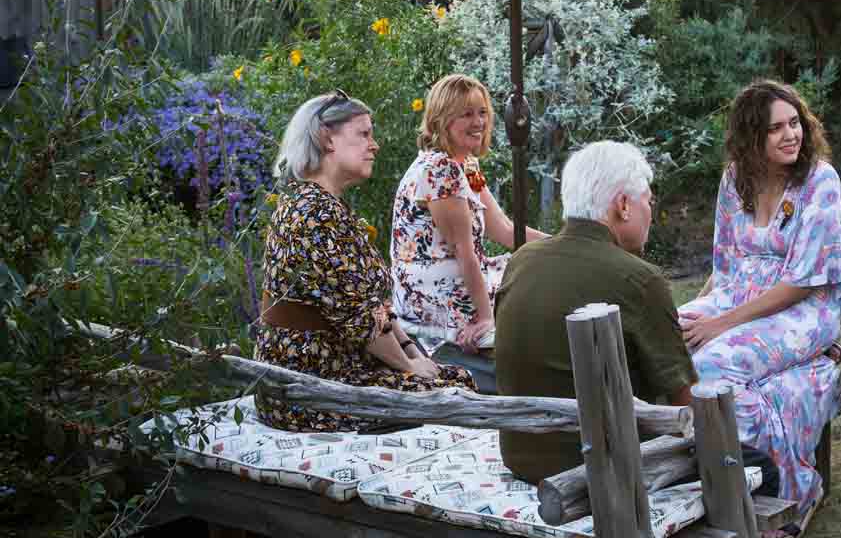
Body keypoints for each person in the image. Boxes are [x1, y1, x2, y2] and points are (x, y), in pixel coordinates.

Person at [677, 80, 841, 536]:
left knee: (715, 364)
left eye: (795, 123)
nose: (791, 134)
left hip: (803, 308)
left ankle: (782, 488)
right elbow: (725, 262)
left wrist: (719, 324)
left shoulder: (820, 182)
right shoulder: (736, 178)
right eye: (776, 128)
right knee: (665, 340)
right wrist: (697, 310)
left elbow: (800, 282)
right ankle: (691, 479)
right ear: (752, 136)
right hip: (738, 295)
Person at [255, 89, 474, 433]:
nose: (375, 144)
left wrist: (414, 355)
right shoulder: (316, 213)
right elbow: (361, 320)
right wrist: (408, 367)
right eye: (364, 133)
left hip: (329, 371)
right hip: (308, 387)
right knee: (452, 393)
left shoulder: (319, 204)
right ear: (327, 139)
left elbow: (373, 307)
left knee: (450, 379)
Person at [494, 141, 696, 485]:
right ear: (623, 205)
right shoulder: (640, 279)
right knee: (756, 463)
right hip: (602, 471)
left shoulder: (522, 260)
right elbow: (685, 402)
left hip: (522, 458)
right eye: (647, 199)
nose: (650, 209)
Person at [391, 75, 546, 354]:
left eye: (482, 112)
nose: (478, 122)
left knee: (532, 270)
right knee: (530, 288)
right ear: (442, 119)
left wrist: (566, 246)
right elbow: (463, 250)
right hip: (431, 296)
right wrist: (486, 319)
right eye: (466, 114)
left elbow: (504, 229)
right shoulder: (440, 169)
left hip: (454, 278)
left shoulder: (466, 163)